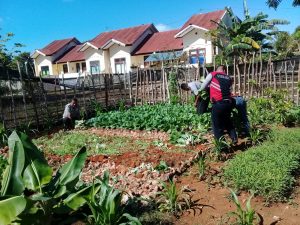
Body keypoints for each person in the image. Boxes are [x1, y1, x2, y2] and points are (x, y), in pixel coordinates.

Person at [198, 65, 237, 143]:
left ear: (217, 69)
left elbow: (202, 87)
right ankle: (234, 137)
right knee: (227, 120)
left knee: (216, 125)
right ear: (224, 71)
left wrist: (205, 90)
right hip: (229, 102)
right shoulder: (228, 77)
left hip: (219, 102)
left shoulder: (213, 74)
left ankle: (221, 145)